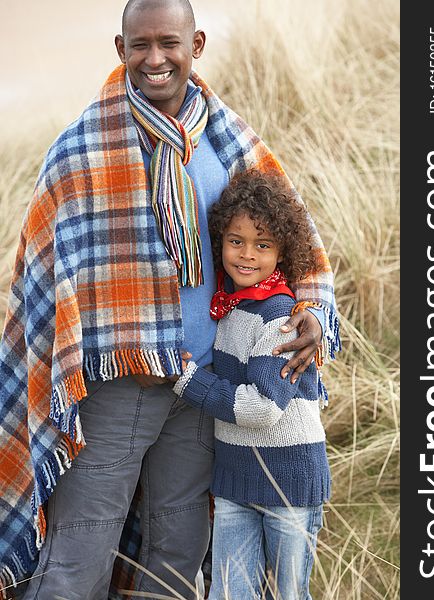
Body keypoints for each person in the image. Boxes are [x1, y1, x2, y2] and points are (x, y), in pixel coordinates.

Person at [0, 1, 340, 599]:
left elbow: (296, 237)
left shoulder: (227, 137)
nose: (155, 59)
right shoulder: (80, 151)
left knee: (179, 554)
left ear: (196, 44)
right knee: (79, 555)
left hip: (205, 384)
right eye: (140, 45)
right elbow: (43, 278)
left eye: (169, 43)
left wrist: (310, 310)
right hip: (116, 391)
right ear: (120, 48)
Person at [173, 170, 333, 600]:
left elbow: (262, 408)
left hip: (289, 482)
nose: (246, 255)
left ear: (282, 252)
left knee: (286, 594)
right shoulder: (228, 309)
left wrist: (187, 381)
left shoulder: (282, 317)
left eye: (262, 245)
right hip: (234, 481)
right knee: (229, 593)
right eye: (236, 241)